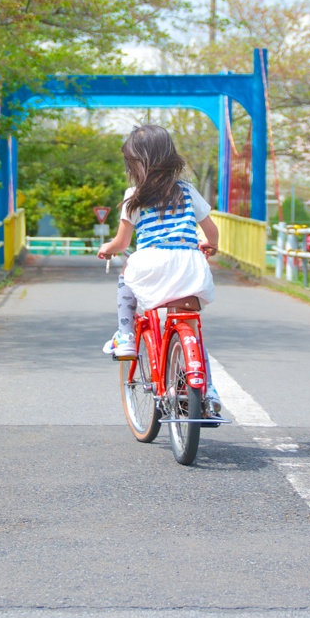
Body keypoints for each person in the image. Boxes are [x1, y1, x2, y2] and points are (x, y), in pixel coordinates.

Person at [97, 124, 222, 414]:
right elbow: (211, 231)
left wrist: (107, 248)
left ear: (135, 162)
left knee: (127, 273)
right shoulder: (188, 191)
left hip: (151, 262)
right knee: (191, 327)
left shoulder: (134, 195)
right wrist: (209, 246)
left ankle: (126, 335)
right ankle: (208, 391)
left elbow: (122, 241)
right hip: (190, 267)